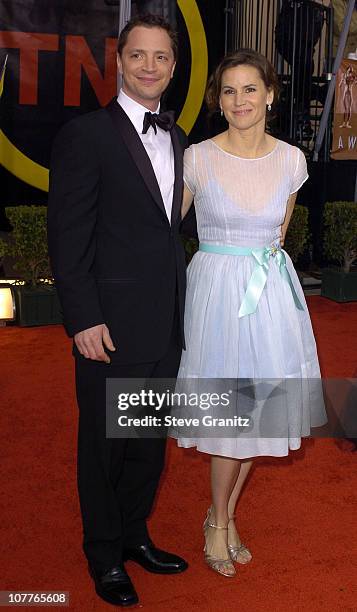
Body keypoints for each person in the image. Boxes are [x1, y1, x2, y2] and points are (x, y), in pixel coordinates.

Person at [47, 14, 188, 607]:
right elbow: (67, 236)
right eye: (139, 56)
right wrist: (82, 318)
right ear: (119, 62)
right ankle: (103, 555)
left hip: (164, 323)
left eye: (160, 57)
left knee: (148, 444)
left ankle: (135, 536)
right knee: (104, 445)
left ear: (174, 67)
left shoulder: (181, 138)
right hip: (108, 326)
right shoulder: (86, 135)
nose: (150, 66)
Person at [171, 49, 326, 578]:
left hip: (269, 298)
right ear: (219, 99)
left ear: (270, 95)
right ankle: (217, 520)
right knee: (228, 418)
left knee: (257, 415)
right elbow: (164, 230)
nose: (240, 100)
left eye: (250, 89)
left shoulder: (291, 161)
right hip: (216, 298)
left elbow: (277, 239)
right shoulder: (197, 158)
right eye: (230, 91)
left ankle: (225, 514)